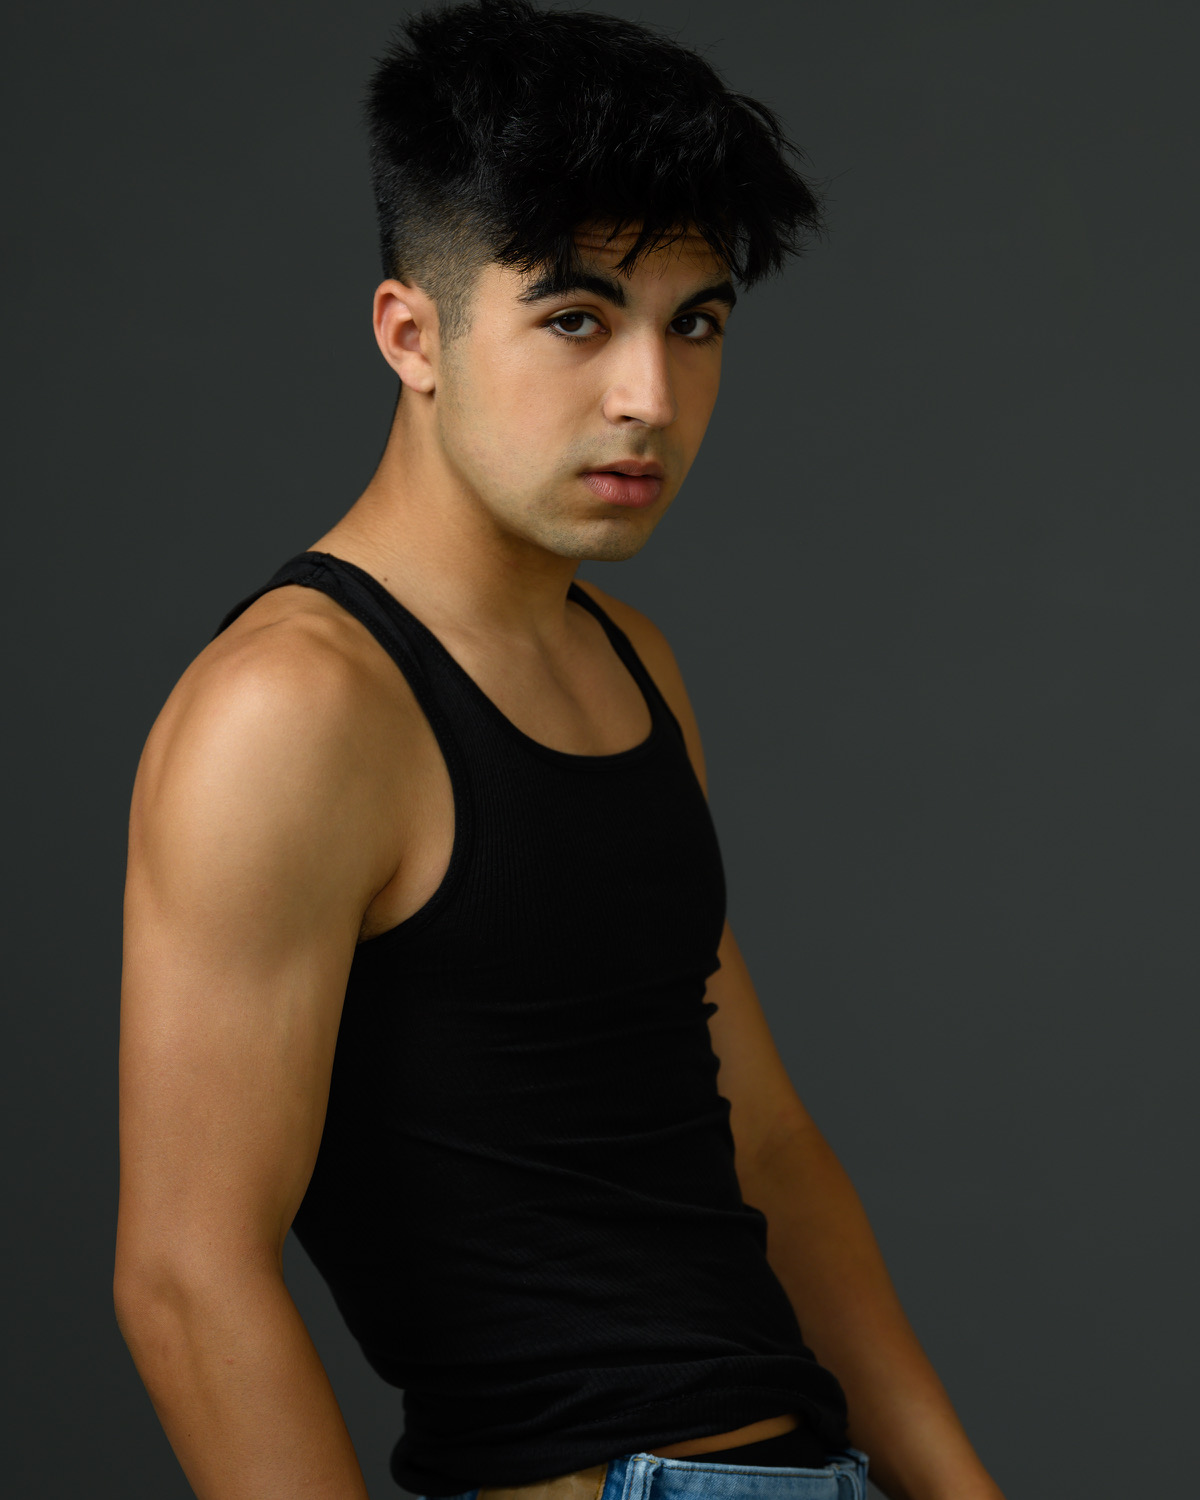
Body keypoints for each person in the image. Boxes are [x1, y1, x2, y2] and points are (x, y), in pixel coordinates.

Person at [114, 3, 1006, 1499]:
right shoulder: (295, 708)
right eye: (578, 319)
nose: (648, 397)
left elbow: (768, 1150)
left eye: (695, 323)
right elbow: (186, 1274)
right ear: (413, 334)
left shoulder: (627, 660)